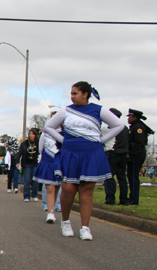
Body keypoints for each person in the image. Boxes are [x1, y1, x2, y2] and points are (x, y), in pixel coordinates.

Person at [43, 81, 124, 240]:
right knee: (68, 189)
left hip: (91, 153)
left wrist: (100, 140)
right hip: (70, 153)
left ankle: (85, 227)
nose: (72, 97)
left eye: (75, 93)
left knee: (87, 191)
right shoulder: (66, 110)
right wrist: (63, 140)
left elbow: (118, 125)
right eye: (71, 94)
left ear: (85, 94)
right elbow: (49, 126)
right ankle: (65, 222)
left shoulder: (98, 110)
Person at [33, 118, 62, 223]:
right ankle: (50, 213)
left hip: (60, 163)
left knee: (57, 187)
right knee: (50, 188)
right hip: (48, 162)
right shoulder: (45, 134)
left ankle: (52, 208)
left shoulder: (65, 134)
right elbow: (41, 149)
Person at [126, 109, 153, 205]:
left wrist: (132, 154)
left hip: (137, 154)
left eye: (130, 116)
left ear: (134, 117)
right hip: (134, 154)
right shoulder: (134, 127)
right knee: (130, 175)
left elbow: (139, 142)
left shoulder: (138, 128)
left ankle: (134, 199)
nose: (128, 119)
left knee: (133, 176)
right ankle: (132, 197)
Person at [103, 108, 129, 205]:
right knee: (122, 178)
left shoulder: (111, 128)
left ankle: (110, 199)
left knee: (109, 177)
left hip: (112, 155)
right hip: (123, 155)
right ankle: (124, 199)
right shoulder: (125, 128)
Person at [17, 129, 41, 202]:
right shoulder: (25, 143)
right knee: (27, 180)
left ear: (35, 135)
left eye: (33, 134)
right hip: (27, 163)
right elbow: (19, 153)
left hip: (35, 163)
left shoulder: (38, 143)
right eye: (30, 134)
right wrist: (17, 162)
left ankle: (34, 195)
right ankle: (26, 196)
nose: (31, 135)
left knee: (35, 181)